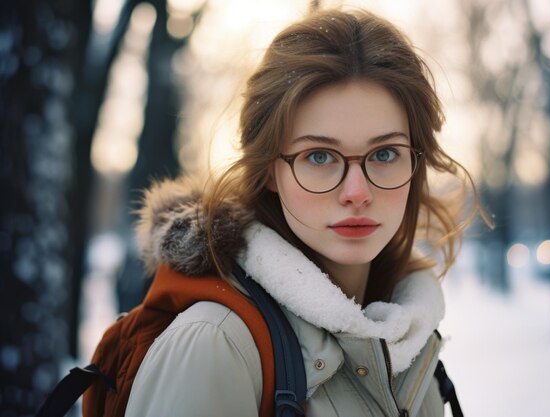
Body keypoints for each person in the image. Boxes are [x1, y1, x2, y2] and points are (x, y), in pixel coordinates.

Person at [125, 8, 484, 417]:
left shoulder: (408, 342)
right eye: (319, 156)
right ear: (270, 171)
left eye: (385, 153)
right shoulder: (216, 347)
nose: (357, 192)